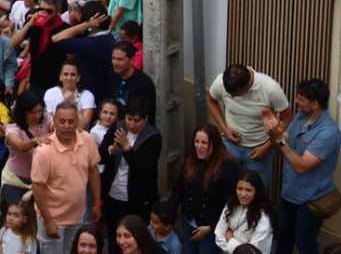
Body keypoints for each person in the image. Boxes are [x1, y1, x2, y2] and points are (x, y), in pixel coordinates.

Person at [265, 78, 341, 254]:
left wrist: (279, 139)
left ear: (314, 104)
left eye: (301, 99)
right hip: (289, 193)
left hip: (310, 201)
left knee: (304, 243)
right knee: (283, 236)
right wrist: (273, 133)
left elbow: (302, 166)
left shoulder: (328, 132)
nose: (296, 102)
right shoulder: (300, 117)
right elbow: (282, 145)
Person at [31, 102, 100, 254]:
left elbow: (94, 172)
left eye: (71, 121)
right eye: (62, 121)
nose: (67, 126)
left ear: (77, 121)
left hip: (78, 218)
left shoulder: (87, 140)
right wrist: (48, 221)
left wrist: (97, 203)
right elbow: (37, 188)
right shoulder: (44, 152)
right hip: (53, 220)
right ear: (54, 122)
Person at [206, 63, 290, 174]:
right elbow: (211, 100)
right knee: (226, 186)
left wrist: (268, 146)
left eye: (235, 95)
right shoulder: (220, 82)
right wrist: (224, 129)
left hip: (259, 149)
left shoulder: (271, 89)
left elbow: (287, 119)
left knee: (255, 188)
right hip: (230, 147)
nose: (231, 97)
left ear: (246, 88)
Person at [172, 124, 239, 254]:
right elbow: (178, 189)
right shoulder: (190, 160)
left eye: (204, 143)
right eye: (196, 142)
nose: (199, 146)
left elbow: (230, 204)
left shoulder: (228, 168)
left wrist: (210, 228)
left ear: (214, 145)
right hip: (188, 222)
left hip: (210, 227)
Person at [102, 98, 161, 231]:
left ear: (145, 119)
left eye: (136, 120)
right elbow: (100, 155)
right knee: (113, 234)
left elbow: (144, 169)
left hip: (138, 199)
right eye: (129, 119)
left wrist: (127, 148)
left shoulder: (153, 137)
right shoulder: (118, 127)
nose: (131, 124)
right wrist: (112, 149)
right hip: (113, 195)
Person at [217, 170, 274, 254]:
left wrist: (230, 240)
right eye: (239, 189)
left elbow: (251, 252)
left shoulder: (263, 216)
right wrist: (239, 246)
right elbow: (218, 236)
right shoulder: (230, 205)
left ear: (256, 192)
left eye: (248, 190)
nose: (243, 194)